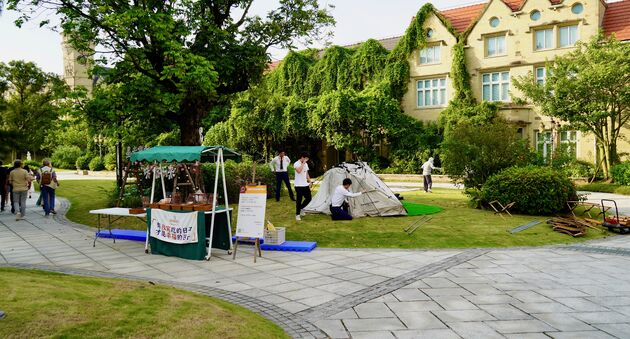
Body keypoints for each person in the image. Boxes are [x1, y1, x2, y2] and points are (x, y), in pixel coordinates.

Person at [293, 152, 312, 221]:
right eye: (306, 158)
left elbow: (306, 173)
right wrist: (303, 163)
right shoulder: (296, 163)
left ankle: (301, 208)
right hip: (298, 185)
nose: (307, 160)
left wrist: (310, 181)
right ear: (302, 157)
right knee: (299, 200)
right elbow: (299, 171)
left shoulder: (306, 164)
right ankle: (297, 214)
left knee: (309, 198)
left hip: (305, 184)